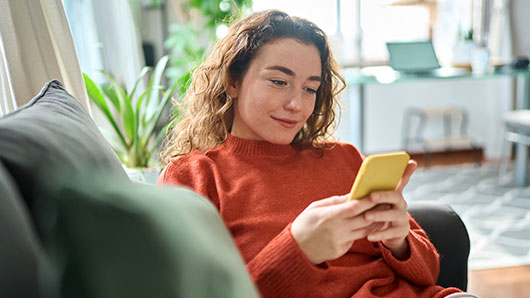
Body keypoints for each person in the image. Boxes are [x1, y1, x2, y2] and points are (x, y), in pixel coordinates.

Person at [158, 10, 477, 298]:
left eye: (310, 88)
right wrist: (298, 249)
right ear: (233, 81)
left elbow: (429, 275)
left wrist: (400, 241)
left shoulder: (345, 158)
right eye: (279, 81)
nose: (296, 105)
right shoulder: (194, 177)